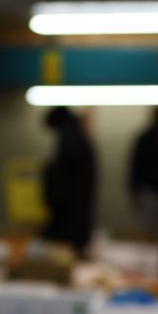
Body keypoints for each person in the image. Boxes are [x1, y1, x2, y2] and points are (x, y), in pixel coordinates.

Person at [41, 106, 96, 256]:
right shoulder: (78, 135)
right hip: (79, 220)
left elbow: (61, 180)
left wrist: (48, 171)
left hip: (67, 223)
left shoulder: (69, 136)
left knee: (64, 258)